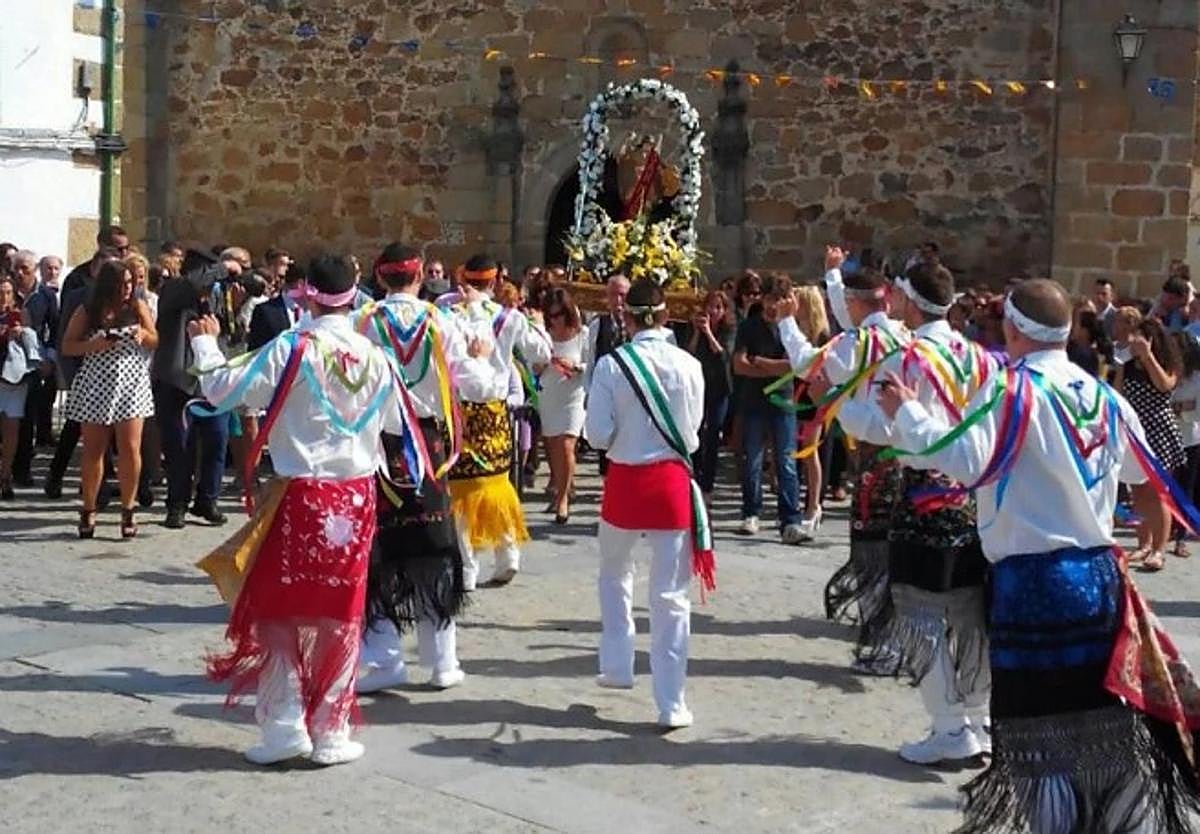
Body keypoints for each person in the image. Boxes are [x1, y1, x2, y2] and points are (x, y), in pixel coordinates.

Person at [879, 278, 1200, 834]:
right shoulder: (1105, 395)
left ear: (1012, 328)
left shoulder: (1009, 391)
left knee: (1039, 741)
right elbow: (1133, 472)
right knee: (1105, 730)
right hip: (1102, 580)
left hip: (1033, 585)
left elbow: (965, 461)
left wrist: (909, 413)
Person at [192, 254, 421, 767]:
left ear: (306, 292)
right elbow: (391, 424)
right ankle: (331, 731)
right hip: (358, 496)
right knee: (341, 614)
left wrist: (204, 342)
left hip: (302, 495)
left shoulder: (291, 348)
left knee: (279, 611)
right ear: (356, 288)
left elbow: (221, 389)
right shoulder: (377, 357)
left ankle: (283, 724)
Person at [815, 261, 1000, 765]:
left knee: (917, 612)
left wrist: (835, 404)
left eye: (898, 293)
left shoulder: (909, 356)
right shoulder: (980, 357)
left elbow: (881, 426)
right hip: (971, 495)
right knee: (969, 612)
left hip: (922, 494)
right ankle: (980, 719)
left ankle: (948, 725)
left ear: (911, 301)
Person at [352, 244, 481, 694]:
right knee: (433, 545)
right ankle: (443, 661)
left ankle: (385, 659)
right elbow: (472, 379)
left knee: (381, 549)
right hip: (428, 444)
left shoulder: (362, 322)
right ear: (421, 275)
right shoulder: (439, 321)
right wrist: (483, 361)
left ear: (379, 275)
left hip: (380, 445)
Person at [584, 278, 710, 729]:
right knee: (671, 595)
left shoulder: (611, 366)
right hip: (670, 483)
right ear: (665, 313)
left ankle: (617, 666)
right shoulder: (689, 365)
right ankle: (671, 702)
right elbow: (693, 432)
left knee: (614, 575)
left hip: (624, 482)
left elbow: (596, 434)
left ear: (627, 316)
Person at [777, 265, 909, 670]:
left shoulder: (859, 342)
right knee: (896, 548)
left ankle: (884, 643)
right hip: (909, 450)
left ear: (854, 304)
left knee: (873, 549)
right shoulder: (903, 335)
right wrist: (834, 276)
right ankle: (896, 636)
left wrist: (786, 322)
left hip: (875, 451)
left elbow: (808, 364)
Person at [443, 254, 551, 589]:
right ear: (494, 281)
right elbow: (542, 354)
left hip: (460, 411)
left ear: (465, 280)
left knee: (460, 490)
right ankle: (508, 554)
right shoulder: (509, 318)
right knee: (497, 482)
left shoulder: (448, 315)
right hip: (496, 411)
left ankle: (468, 568)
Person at [153, 246, 252, 529]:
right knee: (179, 447)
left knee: (217, 443)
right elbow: (193, 284)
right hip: (178, 382)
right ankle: (177, 504)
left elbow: (231, 336)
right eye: (209, 274)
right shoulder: (174, 291)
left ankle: (207, 499)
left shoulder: (218, 299)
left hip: (211, 383)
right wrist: (224, 268)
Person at [60, 260, 157, 538]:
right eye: (122, 284)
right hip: (97, 382)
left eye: (130, 283)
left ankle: (128, 508)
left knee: (130, 447)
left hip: (131, 382)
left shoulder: (137, 306)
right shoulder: (88, 310)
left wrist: (143, 334)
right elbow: (67, 345)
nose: (127, 289)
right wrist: (93, 345)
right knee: (93, 450)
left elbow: (155, 339)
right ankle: (89, 508)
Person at [44, 247, 121, 502]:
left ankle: (105, 484)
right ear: (94, 270)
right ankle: (56, 476)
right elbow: (65, 336)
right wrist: (68, 374)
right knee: (75, 427)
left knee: (112, 429)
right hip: (82, 371)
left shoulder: (124, 299)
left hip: (114, 374)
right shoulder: (78, 297)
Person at [732, 272, 804, 542]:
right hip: (753, 401)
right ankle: (751, 512)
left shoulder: (790, 328)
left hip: (783, 401)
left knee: (786, 460)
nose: (775, 305)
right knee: (752, 459)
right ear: (763, 299)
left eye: (781, 299)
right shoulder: (749, 327)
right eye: (772, 298)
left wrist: (760, 362)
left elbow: (795, 365)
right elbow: (739, 364)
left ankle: (790, 519)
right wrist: (773, 369)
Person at [1116, 317, 1184, 572]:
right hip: (1134, 431)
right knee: (1138, 492)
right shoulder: (1127, 365)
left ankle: (1159, 550)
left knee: (1158, 494)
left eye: (1138, 337)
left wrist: (1148, 358)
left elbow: (1164, 386)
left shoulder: (1167, 363)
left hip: (1158, 432)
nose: (1133, 342)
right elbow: (1117, 393)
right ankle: (1143, 543)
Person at [536, 286, 588, 524]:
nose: (556, 321)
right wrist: (540, 366)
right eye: (552, 316)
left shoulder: (582, 334)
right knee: (553, 446)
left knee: (567, 444)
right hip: (548, 394)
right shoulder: (543, 335)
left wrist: (576, 366)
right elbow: (532, 364)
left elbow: (591, 363)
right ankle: (559, 486)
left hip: (573, 395)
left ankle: (564, 498)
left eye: (560, 315)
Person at [11, 250, 58, 485]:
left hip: (33, 363)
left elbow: (54, 327)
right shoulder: (6, 292)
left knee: (28, 416)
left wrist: (50, 358)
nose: (19, 274)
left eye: (25, 269)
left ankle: (22, 469)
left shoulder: (46, 296)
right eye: (16, 269)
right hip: (7, 361)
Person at [687, 289, 735, 504]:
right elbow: (689, 352)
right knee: (696, 431)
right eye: (711, 307)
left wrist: (709, 333)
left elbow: (723, 354)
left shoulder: (729, 329)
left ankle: (708, 484)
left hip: (720, 387)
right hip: (699, 386)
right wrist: (698, 332)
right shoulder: (694, 328)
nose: (713, 312)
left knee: (713, 433)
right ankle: (694, 478)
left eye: (718, 308)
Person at [0, 276, 39, 499]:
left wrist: (22, 333)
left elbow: (31, 344)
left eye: (7, 292)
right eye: (0, 292)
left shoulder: (20, 315)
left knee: (12, 428)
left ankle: (6, 475)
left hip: (13, 379)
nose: (3, 297)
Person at [1170, 330, 1200, 559]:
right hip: (1167, 436)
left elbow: (1196, 411)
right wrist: (1182, 406)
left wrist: (1177, 409)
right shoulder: (1167, 374)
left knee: (1185, 489)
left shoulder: (1198, 378)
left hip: (1191, 438)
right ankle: (1166, 528)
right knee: (1167, 486)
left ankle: (1181, 535)